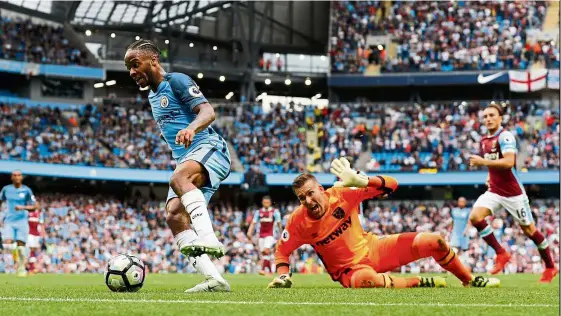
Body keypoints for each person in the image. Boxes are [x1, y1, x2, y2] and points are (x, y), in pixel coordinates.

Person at [268, 158, 499, 289]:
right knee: (366, 281)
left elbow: (393, 184)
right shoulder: (298, 220)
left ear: (320, 189)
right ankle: (420, 282)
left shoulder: (342, 193)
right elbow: (282, 251)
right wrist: (283, 275)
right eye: (302, 198)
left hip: (375, 248)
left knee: (435, 240)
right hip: (351, 271)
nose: (308, 201)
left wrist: (361, 180)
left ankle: (470, 281)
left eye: (310, 193)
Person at [124, 39, 231, 292]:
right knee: (173, 215)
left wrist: (191, 128)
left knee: (178, 179)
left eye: (135, 64)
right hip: (187, 157)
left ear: (153, 60)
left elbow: (208, 112)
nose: (131, 72)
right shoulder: (152, 95)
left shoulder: (177, 81)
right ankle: (214, 280)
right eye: (128, 67)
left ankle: (209, 238)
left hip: (209, 148)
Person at [469, 102, 558, 283]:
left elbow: (509, 162)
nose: (488, 119)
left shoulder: (505, 136)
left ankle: (550, 266)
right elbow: (493, 162)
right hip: (494, 190)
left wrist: (482, 163)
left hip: (513, 194)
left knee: (529, 230)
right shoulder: (484, 141)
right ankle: (501, 253)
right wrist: (489, 175)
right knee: (475, 217)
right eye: (485, 116)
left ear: (500, 118)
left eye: (492, 115)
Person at [0, 170, 39, 277]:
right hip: (9, 221)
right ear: (11, 177)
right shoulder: (6, 190)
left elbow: (35, 206)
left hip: (22, 221)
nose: (17, 177)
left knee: (21, 248)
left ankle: (21, 268)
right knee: (8, 244)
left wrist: (23, 207)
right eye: (14, 175)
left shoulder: (27, 190)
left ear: (21, 177)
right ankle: (11, 265)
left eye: (19, 175)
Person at [247, 196, 283, 274]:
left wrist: (281, 233)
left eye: (267, 202)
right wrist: (249, 232)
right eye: (264, 202)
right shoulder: (258, 212)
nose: (266, 204)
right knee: (264, 253)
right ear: (262, 203)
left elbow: (279, 223)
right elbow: (253, 223)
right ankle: (270, 271)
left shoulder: (274, 212)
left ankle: (263, 270)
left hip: (270, 235)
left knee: (266, 250)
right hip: (261, 235)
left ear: (270, 203)